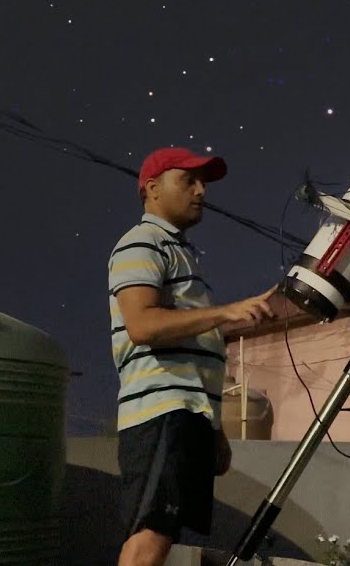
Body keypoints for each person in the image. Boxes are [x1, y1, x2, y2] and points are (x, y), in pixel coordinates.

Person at [109, 146, 279, 566]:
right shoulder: (142, 243)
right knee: (149, 535)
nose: (201, 190)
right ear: (152, 189)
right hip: (162, 413)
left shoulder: (179, 252)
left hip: (185, 414)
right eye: (188, 180)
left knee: (160, 533)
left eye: (202, 182)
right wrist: (225, 311)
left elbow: (190, 347)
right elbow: (143, 326)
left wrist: (213, 428)